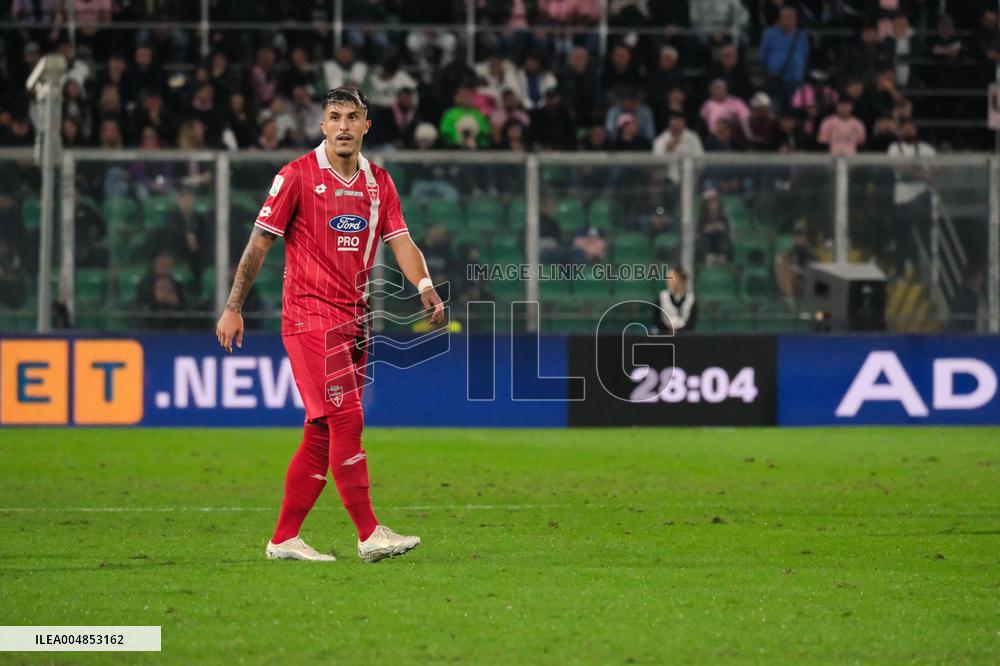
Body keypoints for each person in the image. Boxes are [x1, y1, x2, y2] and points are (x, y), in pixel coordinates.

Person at [215, 86, 445, 563]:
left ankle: (284, 539)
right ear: (322, 126)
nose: (343, 125)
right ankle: (369, 533)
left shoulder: (379, 182)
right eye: (334, 116)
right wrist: (234, 304)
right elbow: (259, 244)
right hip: (308, 316)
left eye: (352, 116)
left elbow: (401, 240)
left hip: (354, 320)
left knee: (321, 431)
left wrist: (424, 285)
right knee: (347, 418)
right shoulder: (296, 176)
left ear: (367, 125)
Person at [651, 268, 697, 334]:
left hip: (685, 337)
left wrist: (680, 331)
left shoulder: (691, 299)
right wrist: (668, 331)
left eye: (672, 278)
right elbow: (656, 319)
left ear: (681, 280)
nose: (668, 280)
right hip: (664, 336)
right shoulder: (662, 297)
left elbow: (692, 322)